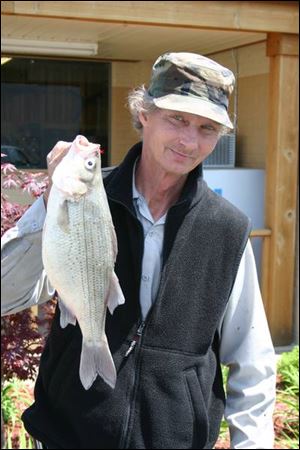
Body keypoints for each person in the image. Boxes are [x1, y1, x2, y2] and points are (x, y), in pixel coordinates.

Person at [1, 52, 276, 449]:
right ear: (144, 113)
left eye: (207, 127)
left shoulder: (227, 229)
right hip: (67, 437)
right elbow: (6, 294)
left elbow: (252, 363)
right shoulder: (84, 197)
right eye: (177, 119)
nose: (189, 140)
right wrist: (48, 203)